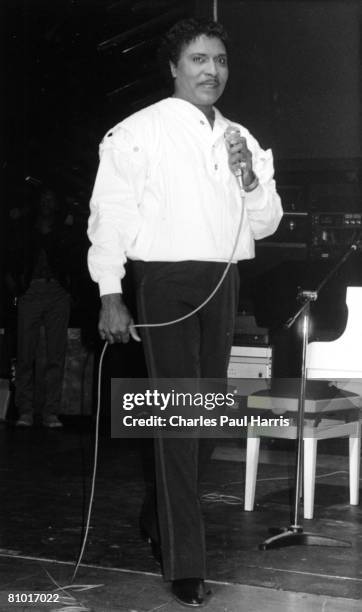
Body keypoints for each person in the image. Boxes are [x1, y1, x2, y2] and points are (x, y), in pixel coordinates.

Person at [88, 18, 283, 606]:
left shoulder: (241, 136)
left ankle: (158, 516)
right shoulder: (135, 132)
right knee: (178, 417)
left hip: (223, 280)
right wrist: (110, 291)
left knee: (206, 417)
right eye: (198, 59)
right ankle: (185, 563)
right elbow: (111, 215)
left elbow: (266, 223)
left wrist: (249, 178)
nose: (211, 71)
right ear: (174, 67)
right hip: (165, 281)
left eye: (220, 60)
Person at [13, 187, 71, 428]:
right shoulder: (26, 227)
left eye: (51, 198)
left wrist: (70, 288)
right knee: (25, 354)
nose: (47, 202)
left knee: (55, 354)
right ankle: (25, 410)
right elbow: (11, 255)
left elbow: (75, 256)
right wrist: (16, 288)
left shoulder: (63, 228)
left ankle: (51, 412)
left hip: (57, 292)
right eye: (43, 198)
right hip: (31, 291)